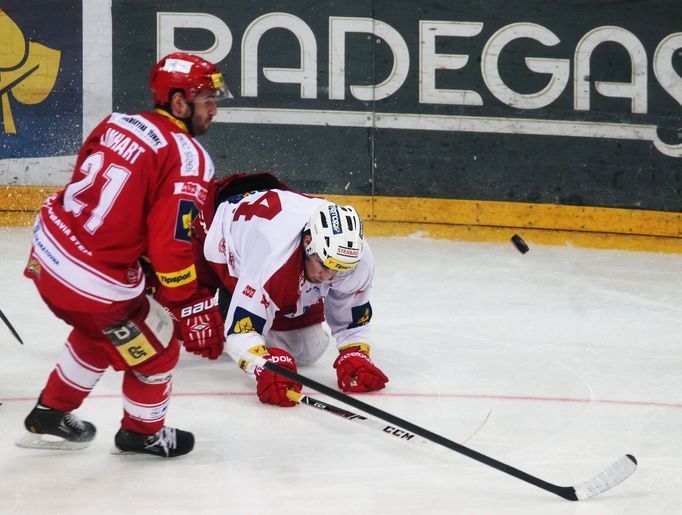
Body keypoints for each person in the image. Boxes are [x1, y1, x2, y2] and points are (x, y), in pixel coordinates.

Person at [17, 52, 229, 457]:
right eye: (206, 100)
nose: (214, 110)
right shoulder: (189, 157)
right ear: (179, 103)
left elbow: (98, 192)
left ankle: (50, 412)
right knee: (160, 347)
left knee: (100, 332)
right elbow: (171, 246)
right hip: (90, 283)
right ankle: (141, 433)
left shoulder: (117, 122)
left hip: (47, 253)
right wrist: (192, 305)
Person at [195, 175, 389, 407]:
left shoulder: (356, 258)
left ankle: (253, 304)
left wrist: (356, 352)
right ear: (308, 242)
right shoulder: (272, 258)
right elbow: (239, 333)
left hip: (272, 245)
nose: (329, 277)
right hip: (221, 234)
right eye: (324, 265)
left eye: (340, 269)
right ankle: (231, 302)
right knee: (195, 332)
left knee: (309, 349)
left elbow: (352, 319)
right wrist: (263, 365)